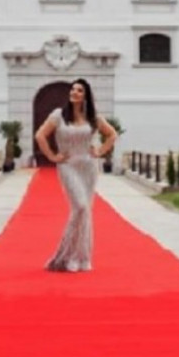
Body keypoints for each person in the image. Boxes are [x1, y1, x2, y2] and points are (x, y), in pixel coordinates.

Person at [34, 78, 118, 272]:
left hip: (88, 167)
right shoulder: (58, 115)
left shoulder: (93, 118)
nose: (74, 92)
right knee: (80, 206)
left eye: (79, 90)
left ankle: (80, 258)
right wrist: (52, 156)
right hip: (68, 165)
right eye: (72, 89)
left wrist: (100, 151)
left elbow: (112, 134)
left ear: (86, 95)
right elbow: (40, 135)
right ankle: (66, 256)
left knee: (84, 210)